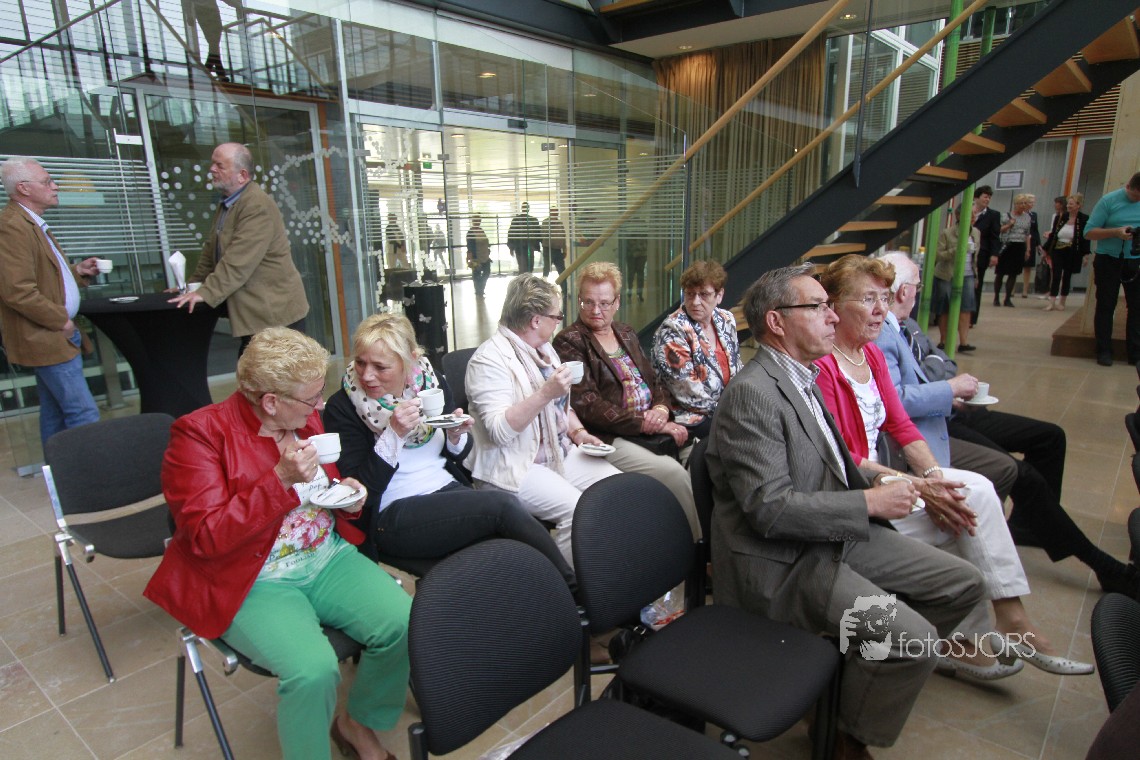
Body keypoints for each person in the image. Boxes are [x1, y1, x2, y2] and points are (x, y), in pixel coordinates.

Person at [707, 262, 985, 757]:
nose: (832, 316)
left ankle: (841, 691)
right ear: (776, 322)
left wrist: (894, 480)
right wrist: (870, 502)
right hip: (788, 563)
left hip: (831, 535)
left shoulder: (805, 376)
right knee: (912, 638)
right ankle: (843, 734)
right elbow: (769, 510)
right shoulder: (753, 394)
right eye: (818, 307)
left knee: (964, 584)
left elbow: (837, 461)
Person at [817, 255, 1094, 681]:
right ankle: (987, 631)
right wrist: (920, 487)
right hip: (859, 491)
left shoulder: (869, 354)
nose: (881, 310)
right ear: (834, 306)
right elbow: (842, 455)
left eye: (885, 299)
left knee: (970, 494)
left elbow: (901, 425)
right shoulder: (823, 364)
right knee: (966, 510)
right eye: (868, 299)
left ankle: (992, 627)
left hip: (886, 478)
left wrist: (934, 477)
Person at [144, 328, 409, 760]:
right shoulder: (199, 435)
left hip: (324, 555)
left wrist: (348, 496)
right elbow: (206, 535)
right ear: (270, 401)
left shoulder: (300, 418)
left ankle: (356, 725)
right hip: (251, 575)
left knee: (403, 621)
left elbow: (324, 488)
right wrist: (279, 480)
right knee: (312, 671)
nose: (320, 406)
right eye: (311, 398)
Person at [877, 252, 1140, 597]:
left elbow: (943, 361)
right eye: (917, 286)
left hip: (948, 411)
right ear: (904, 291)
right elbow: (900, 397)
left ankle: (1031, 523)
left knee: (1050, 437)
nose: (918, 292)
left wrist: (941, 383)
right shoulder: (883, 331)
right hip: (933, 422)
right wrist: (946, 388)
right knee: (1017, 473)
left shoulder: (907, 325)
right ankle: (1096, 561)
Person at [323, 313, 577, 589]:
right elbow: (361, 492)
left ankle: (544, 604)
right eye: (360, 362)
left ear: (409, 361)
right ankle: (574, 591)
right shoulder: (343, 406)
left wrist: (456, 435)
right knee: (503, 507)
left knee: (512, 547)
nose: (366, 375)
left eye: (380, 367)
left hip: (446, 490)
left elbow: (459, 453)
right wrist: (393, 435)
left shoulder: (429, 385)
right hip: (392, 513)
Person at [464, 274, 622, 562]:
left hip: (556, 452)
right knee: (575, 509)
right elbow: (500, 432)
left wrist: (579, 433)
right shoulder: (488, 360)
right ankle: (570, 585)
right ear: (536, 320)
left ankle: (609, 567)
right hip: (513, 464)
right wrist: (545, 393)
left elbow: (560, 408)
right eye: (556, 316)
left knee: (618, 490)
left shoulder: (544, 350)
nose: (559, 322)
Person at [552, 262, 699, 538]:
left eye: (604, 303)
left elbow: (654, 381)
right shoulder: (569, 341)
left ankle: (666, 533)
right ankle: (695, 548)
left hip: (649, 426)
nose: (596, 310)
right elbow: (588, 405)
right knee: (674, 473)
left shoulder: (626, 333)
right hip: (608, 435)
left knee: (701, 458)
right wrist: (647, 422)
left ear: (617, 302)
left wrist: (660, 408)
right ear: (579, 299)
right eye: (588, 302)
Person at [170, 142, 309, 355]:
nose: (212, 169)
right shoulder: (229, 203)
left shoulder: (256, 205)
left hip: (275, 316)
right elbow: (211, 252)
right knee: (252, 371)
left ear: (242, 175)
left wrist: (206, 292)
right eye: (212, 164)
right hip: (257, 315)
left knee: (274, 373)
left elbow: (239, 261)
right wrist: (192, 286)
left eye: (220, 165)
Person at [0, 157, 102, 447]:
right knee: (83, 413)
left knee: (55, 414)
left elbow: (44, 275)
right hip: (47, 335)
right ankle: (89, 473)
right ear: (24, 188)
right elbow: (17, 291)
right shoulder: (12, 227)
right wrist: (61, 321)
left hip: (53, 334)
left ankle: (59, 474)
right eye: (47, 182)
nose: (55, 186)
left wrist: (77, 272)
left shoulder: (30, 222)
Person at [651, 260, 741, 440]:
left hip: (726, 408)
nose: (695, 302)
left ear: (719, 295)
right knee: (745, 432)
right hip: (691, 415)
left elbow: (737, 368)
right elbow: (690, 396)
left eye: (704, 294)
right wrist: (734, 411)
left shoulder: (726, 319)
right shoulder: (673, 330)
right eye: (690, 294)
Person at [1086, 172, 1140, 366]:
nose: (1137, 200)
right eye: (1135, 196)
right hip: (1108, 260)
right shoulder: (1109, 201)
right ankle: (1104, 351)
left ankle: (1135, 354)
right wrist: (1115, 232)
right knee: (1106, 305)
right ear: (1128, 187)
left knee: (1137, 307)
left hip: (1136, 260)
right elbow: (1088, 232)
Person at [932, 203, 980, 351]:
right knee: (945, 308)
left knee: (966, 308)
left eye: (974, 214)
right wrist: (957, 249)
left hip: (968, 274)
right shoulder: (947, 233)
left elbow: (975, 257)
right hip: (947, 275)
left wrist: (976, 276)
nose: (973, 217)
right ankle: (944, 340)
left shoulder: (976, 232)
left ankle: (964, 342)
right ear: (959, 215)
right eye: (970, 213)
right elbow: (938, 255)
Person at [1042, 194, 1090, 311]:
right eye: (1068, 203)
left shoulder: (1084, 218)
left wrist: (1085, 255)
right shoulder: (1061, 217)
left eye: (1071, 204)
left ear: (1078, 205)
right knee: (1056, 275)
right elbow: (1053, 234)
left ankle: (1062, 301)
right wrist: (1046, 250)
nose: (1068, 206)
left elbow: (1085, 238)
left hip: (1073, 251)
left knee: (1067, 276)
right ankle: (1052, 302)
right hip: (1058, 249)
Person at [992, 193, 1041, 307]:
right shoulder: (1005, 216)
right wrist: (1009, 225)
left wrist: (1028, 249)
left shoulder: (1027, 217)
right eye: (1021, 203)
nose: (1023, 205)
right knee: (1000, 273)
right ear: (1015, 204)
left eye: (1025, 203)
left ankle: (1008, 298)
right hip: (1007, 245)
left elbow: (1027, 234)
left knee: (1013, 273)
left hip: (1019, 246)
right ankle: (996, 297)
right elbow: (998, 230)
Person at [971, 185, 1002, 326]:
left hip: (981, 254)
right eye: (985, 196)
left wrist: (994, 254)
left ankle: (972, 318)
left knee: (976, 285)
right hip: (966, 253)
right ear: (976, 198)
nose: (987, 199)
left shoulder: (993, 215)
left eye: (989, 197)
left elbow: (995, 237)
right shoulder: (967, 210)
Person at [506, 202, 541, 275]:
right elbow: (511, 234)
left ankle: (527, 281)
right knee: (522, 268)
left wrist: (538, 245)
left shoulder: (533, 220)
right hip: (520, 247)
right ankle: (522, 281)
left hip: (530, 247)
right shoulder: (516, 220)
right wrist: (511, 248)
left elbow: (538, 233)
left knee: (530, 267)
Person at [465, 215, 491, 298]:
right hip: (476, 256)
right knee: (477, 274)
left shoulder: (481, 230)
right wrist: (471, 257)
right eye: (476, 220)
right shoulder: (470, 232)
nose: (478, 222)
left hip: (485, 255)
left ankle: (481, 288)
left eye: (479, 220)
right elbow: (470, 246)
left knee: (487, 272)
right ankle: (479, 290)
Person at [540, 207, 568, 279]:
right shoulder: (546, 222)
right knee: (546, 270)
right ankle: (543, 283)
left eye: (556, 212)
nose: (555, 214)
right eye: (554, 212)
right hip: (548, 250)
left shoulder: (560, 223)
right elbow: (544, 235)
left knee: (562, 271)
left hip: (558, 251)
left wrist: (565, 250)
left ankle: (564, 286)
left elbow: (563, 237)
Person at [625, 236, 648, 303]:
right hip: (633, 252)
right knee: (632, 274)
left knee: (638, 274)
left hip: (640, 252)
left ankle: (638, 294)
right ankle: (631, 293)